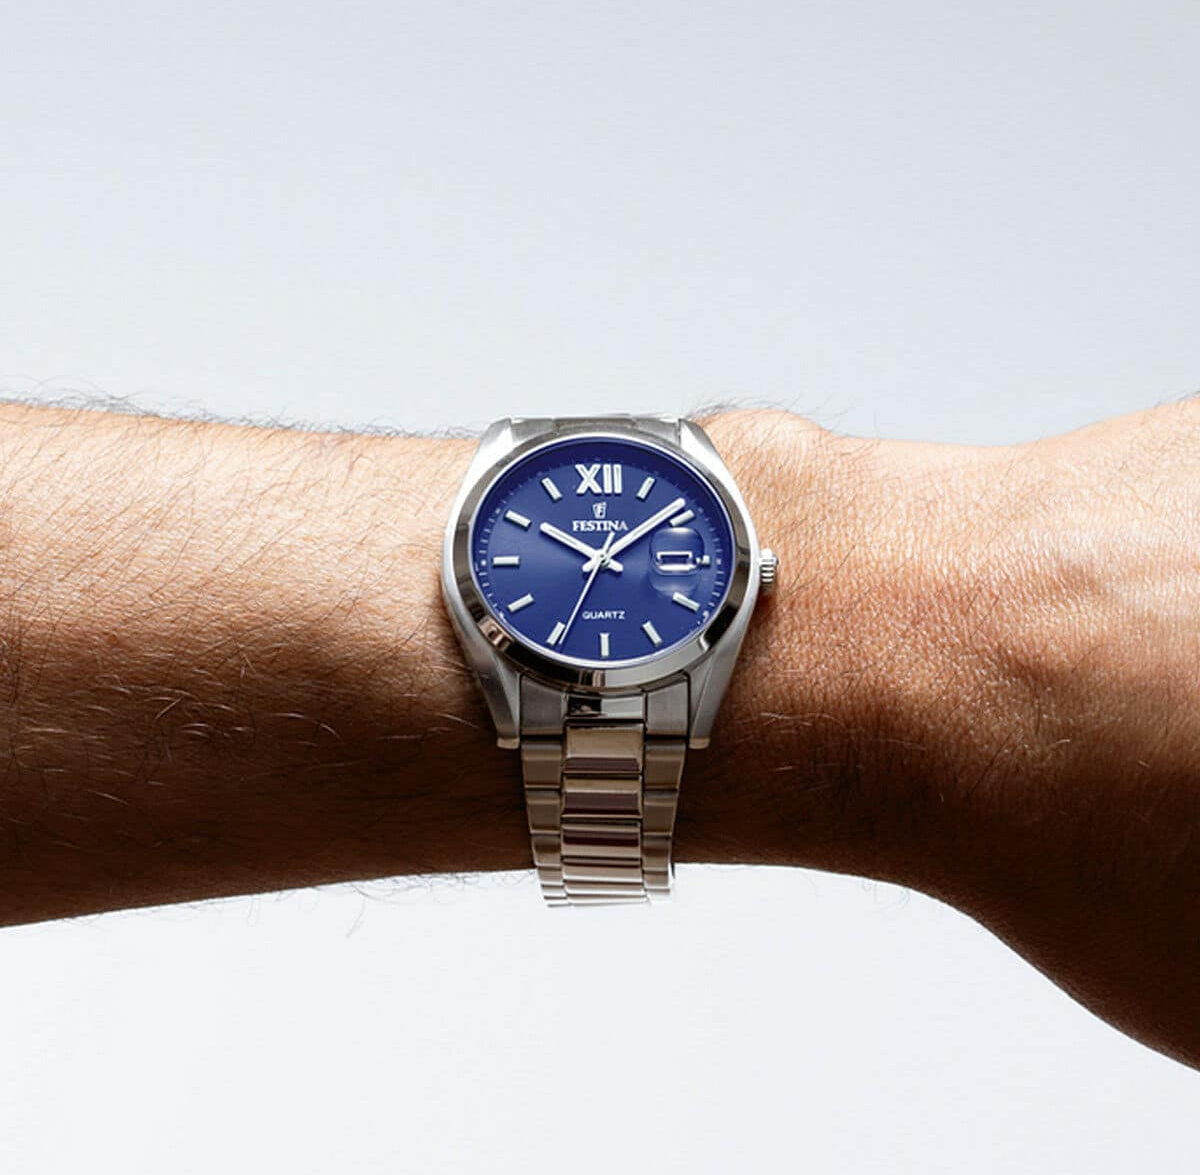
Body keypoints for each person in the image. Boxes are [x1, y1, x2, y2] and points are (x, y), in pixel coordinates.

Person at [0, 398, 1196, 1069]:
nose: (604, 554)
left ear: (753, 572)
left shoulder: (698, 573)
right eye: (584, 547)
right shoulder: (491, 581)